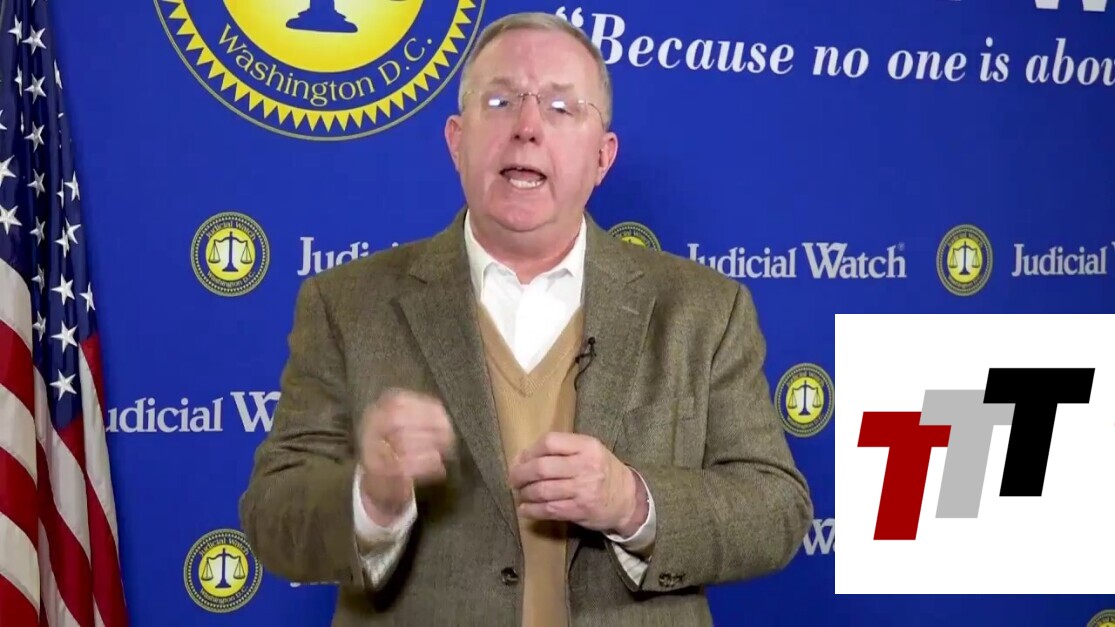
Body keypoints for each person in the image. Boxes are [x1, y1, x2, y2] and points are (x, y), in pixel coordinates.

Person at [238, 11, 813, 626]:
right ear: (456, 140)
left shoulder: (705, 310)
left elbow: (776, 509)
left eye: (561, 108)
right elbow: (273, 516)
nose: (528, 128)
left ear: (602, 157)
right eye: (501, 101)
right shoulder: (346, 304)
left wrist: (632, 502)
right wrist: (371, 500)